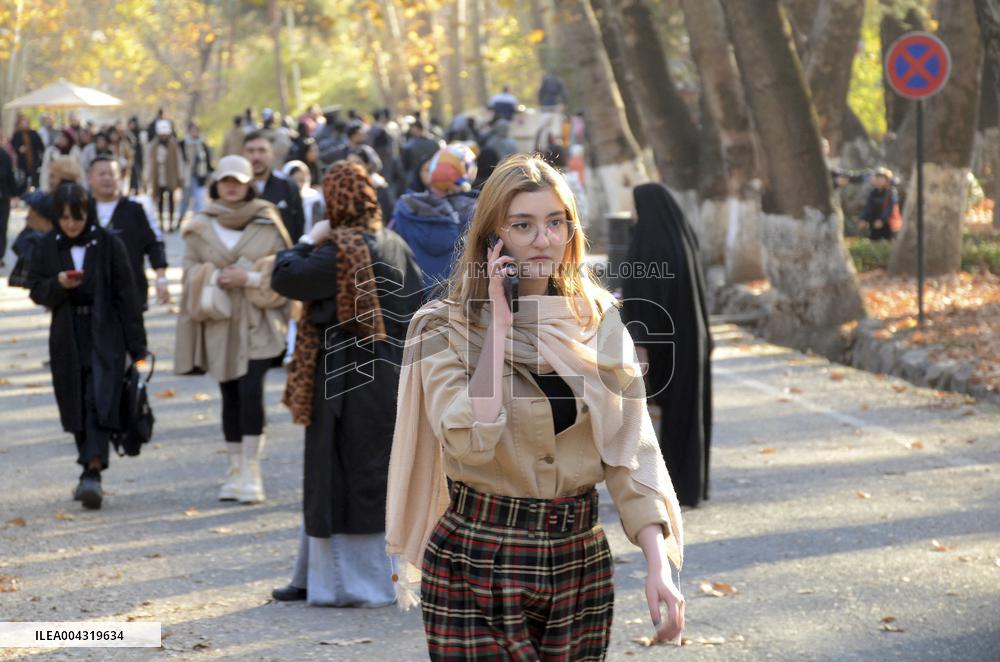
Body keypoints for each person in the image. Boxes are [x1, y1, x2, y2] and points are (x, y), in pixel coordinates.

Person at [386, 155, 685, 658]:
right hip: (477, 559)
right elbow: (468, 440)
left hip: (578, 562)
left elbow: (632, 452)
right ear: (492, 237)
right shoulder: (443, 328)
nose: (543, 239)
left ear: (571, 231)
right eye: (522, 225)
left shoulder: (597, 321)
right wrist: (499, 326)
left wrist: (659, 566)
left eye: (555, 222)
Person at [268, 161, 423, 607]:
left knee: (339, 473)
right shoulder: (393, 241)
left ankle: (352, 583)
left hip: (345, 375)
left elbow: (285, 276)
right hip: (388, 371)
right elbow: (416, 303)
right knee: (368, 471)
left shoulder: (339, 249)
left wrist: (307, 238)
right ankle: (317, 574)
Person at [174, 155, 293, 504]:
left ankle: (252, 472)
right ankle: (235, 469)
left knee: (251, 390)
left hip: (259, 321)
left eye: (238, 181)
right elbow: (188, 270)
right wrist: (213, 276)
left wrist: (250, 278)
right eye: (226, 180)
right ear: (216, 184)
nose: (231, 187)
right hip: (220, 322)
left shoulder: (267, 220)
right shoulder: (200, 224)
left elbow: (286, 269)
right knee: (229, 394)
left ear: (248, 184)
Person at [28, 183, 148, 510]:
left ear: (88, 214)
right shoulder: (47, 245)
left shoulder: (109, 243)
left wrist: (137, 346)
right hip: (67, 334)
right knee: (74, 401)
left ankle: (92, 470)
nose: (71, 224)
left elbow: (127, 295)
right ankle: (88, 467)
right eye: (65, 217)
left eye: (77, 217)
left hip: (105, 332)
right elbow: (36, 289)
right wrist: (58, 284)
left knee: (99, 397)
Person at [621, 183, 713, 508]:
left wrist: (641, 345)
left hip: (663, 344)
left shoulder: (648, 243)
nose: (632, 213)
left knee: (664, 414)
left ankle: (667, 486)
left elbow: (644, 300)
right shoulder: (683, 238)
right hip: (691, 339)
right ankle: (690, 485)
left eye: (634, 206)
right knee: (689, 412)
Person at [389, 144, 479, 296]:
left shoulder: (405, 209)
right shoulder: (478, 213)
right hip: (459, 299)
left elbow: (390, 255)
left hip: (414, 298)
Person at [87, 156, 170, 311]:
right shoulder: (83, 211)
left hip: (131, 293)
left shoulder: (134, 210)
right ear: (89, 178)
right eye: (102, 174)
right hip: (91, 296)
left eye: (112, 174)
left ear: (120, 177)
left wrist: (161, 278)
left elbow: (153, 244)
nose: (107, 178)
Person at [243, 131, 305, 240]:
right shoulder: (234, 188)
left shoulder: (287, 186)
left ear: (273, 153)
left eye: (262, 150)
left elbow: (298, 226)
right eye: (251, 151)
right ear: (243, 154)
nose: (256, 157)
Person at [144, 120, 185, 232]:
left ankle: (171, 223)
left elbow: (179, 161)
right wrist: (146, 178)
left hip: (170, 176)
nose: (163, 136)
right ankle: (161, 223)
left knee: (171, 200)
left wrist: (181, 176)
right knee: (160, 200)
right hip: (158, 177)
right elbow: (149, 163)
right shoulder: (153, 146)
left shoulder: (174, 145)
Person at [178, 122, 213, 222]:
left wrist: (210, 172)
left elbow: (207, 160)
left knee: (199, 199)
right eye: (192, 130)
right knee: (185, 199)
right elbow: (179, 160)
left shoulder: (203, 144)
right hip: (187, 176)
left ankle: (197, 220)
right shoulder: (183, 144)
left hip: (199, 176)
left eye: (196, 130)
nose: (194, 132)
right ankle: (180, 218)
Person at [857, 166, 900, 241]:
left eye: (881, 178)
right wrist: (863, 218)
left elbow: (889, 208)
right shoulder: (873, 193)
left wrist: (882, 220)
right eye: (877, 178)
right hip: (874, 224)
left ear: (887, 180)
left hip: (888, 226)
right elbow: (868, 207)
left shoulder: (891, 192)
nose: (878, 180)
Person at [0, 140, 21, 267]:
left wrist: (14, 194)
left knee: (2, 227)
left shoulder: (3, 154)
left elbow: (9, 175)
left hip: (3, 197)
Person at [12, 115, 45, 190]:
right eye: (23, 121)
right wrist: (19, 149)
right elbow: (13, 146)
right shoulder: (17, 134)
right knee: (23, 182)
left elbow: (41, 146)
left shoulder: (33, 133)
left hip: (34, 162)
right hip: (22, 163)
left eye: (26, 121)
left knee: (35, 182)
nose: (25, 123)